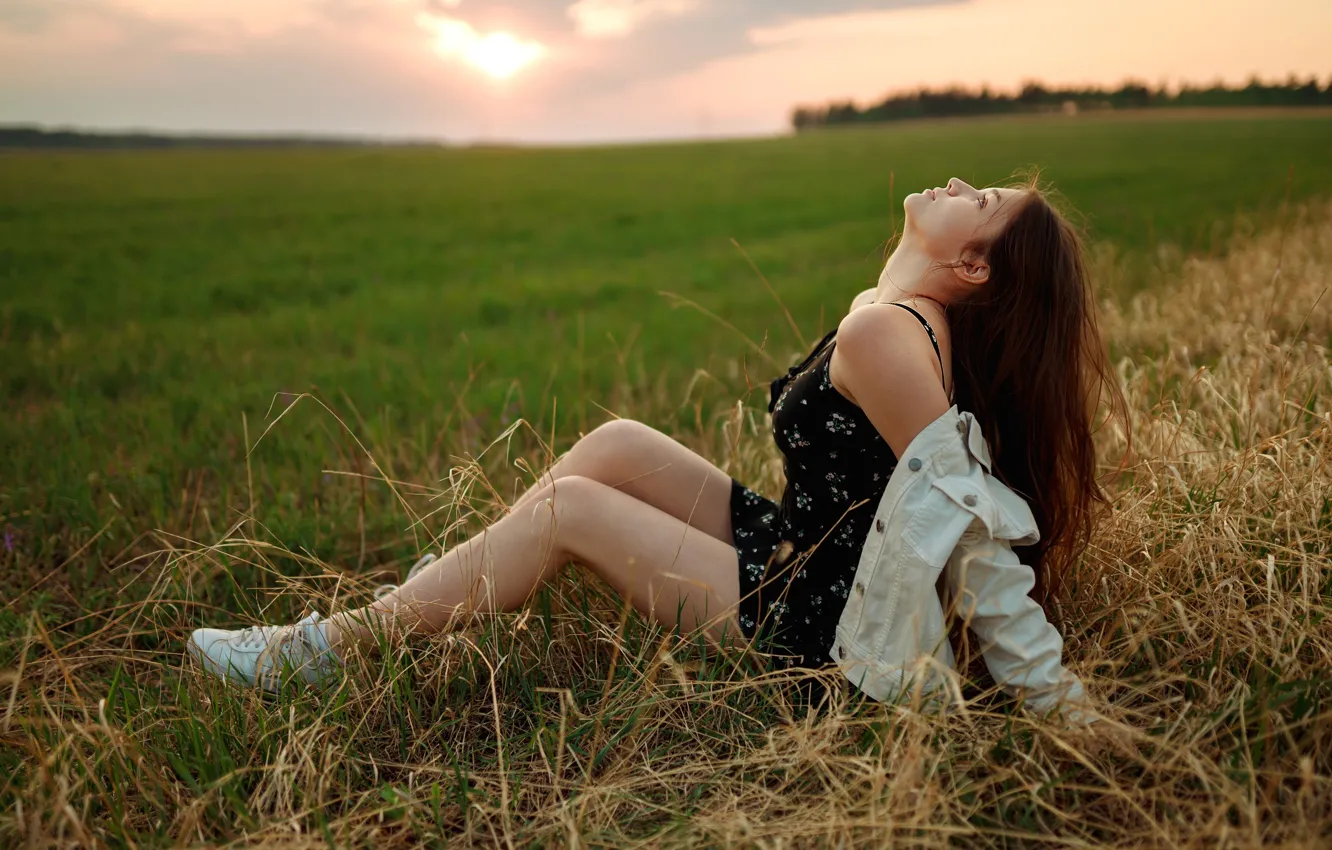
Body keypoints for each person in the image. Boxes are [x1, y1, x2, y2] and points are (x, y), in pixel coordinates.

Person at [187, 176, 1126, 710]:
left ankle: (317, 652)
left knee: (568, 511)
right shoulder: (895, 316)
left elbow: (967, 526)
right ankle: (428, 600)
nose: (960, 180)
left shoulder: (889, 335)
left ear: (974, 263)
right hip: (802, 558)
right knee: (619, 444)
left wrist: (1056, 704)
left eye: (985, 197)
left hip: (821, 632)